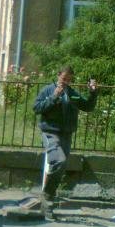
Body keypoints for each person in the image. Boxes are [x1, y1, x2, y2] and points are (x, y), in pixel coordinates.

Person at [33, 66, 98, 217]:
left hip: (66, 135)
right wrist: (53, 97)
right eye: (64, 79)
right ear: (58, 76)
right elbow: (36, 108)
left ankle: (47, 200)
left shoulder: (72, 94)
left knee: (60, 167)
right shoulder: (48, 90)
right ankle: (47, 198)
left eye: (69, 80)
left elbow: (88, 106)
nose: (66, 82)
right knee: (59, 161)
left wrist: (93, 92)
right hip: (50, 132)